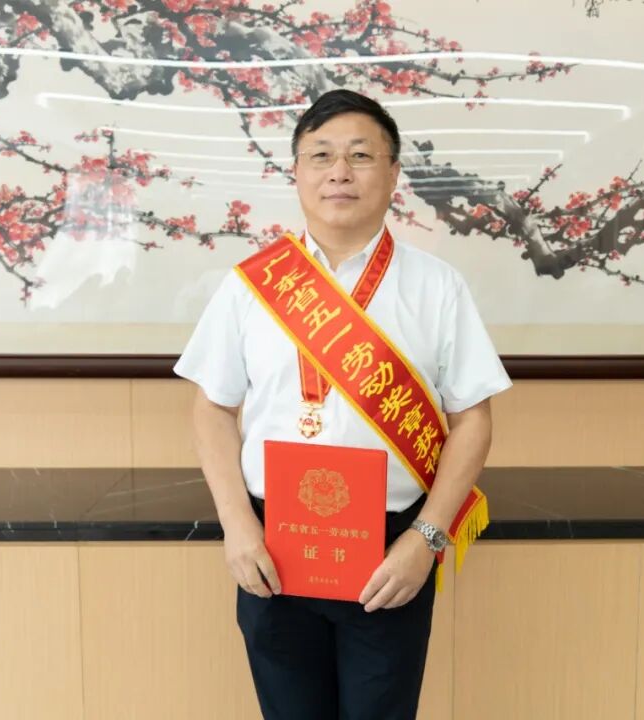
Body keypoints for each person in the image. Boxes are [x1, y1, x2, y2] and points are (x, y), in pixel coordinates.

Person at [173, 88, 512, 720]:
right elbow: (212, 409)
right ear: (297, 172)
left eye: (360, 155)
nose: (339, 172)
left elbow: (472, 418)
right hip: (271, 543)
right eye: (321, 154)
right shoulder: (251, 286)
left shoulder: (437, 287)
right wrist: (237, 525)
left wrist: (426, 539)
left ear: (393, 173)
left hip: (392, 547)